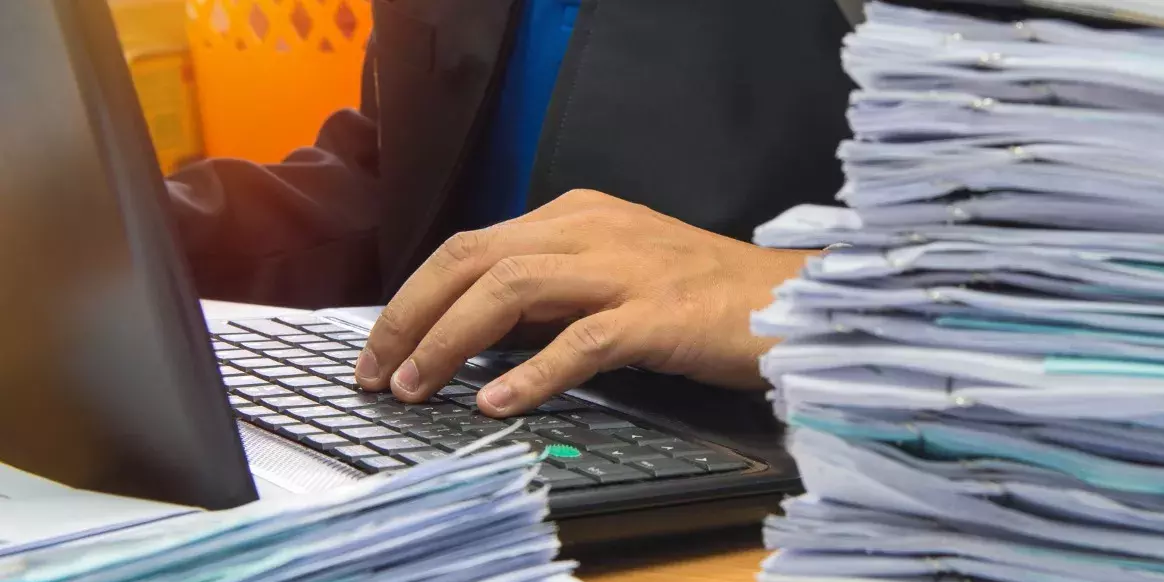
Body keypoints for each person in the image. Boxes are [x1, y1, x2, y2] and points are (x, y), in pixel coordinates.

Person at [166, 0, 862, 417]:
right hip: (480, 434)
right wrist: (124, 239)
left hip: (803, 482)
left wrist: (799, 297)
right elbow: (403, 185)